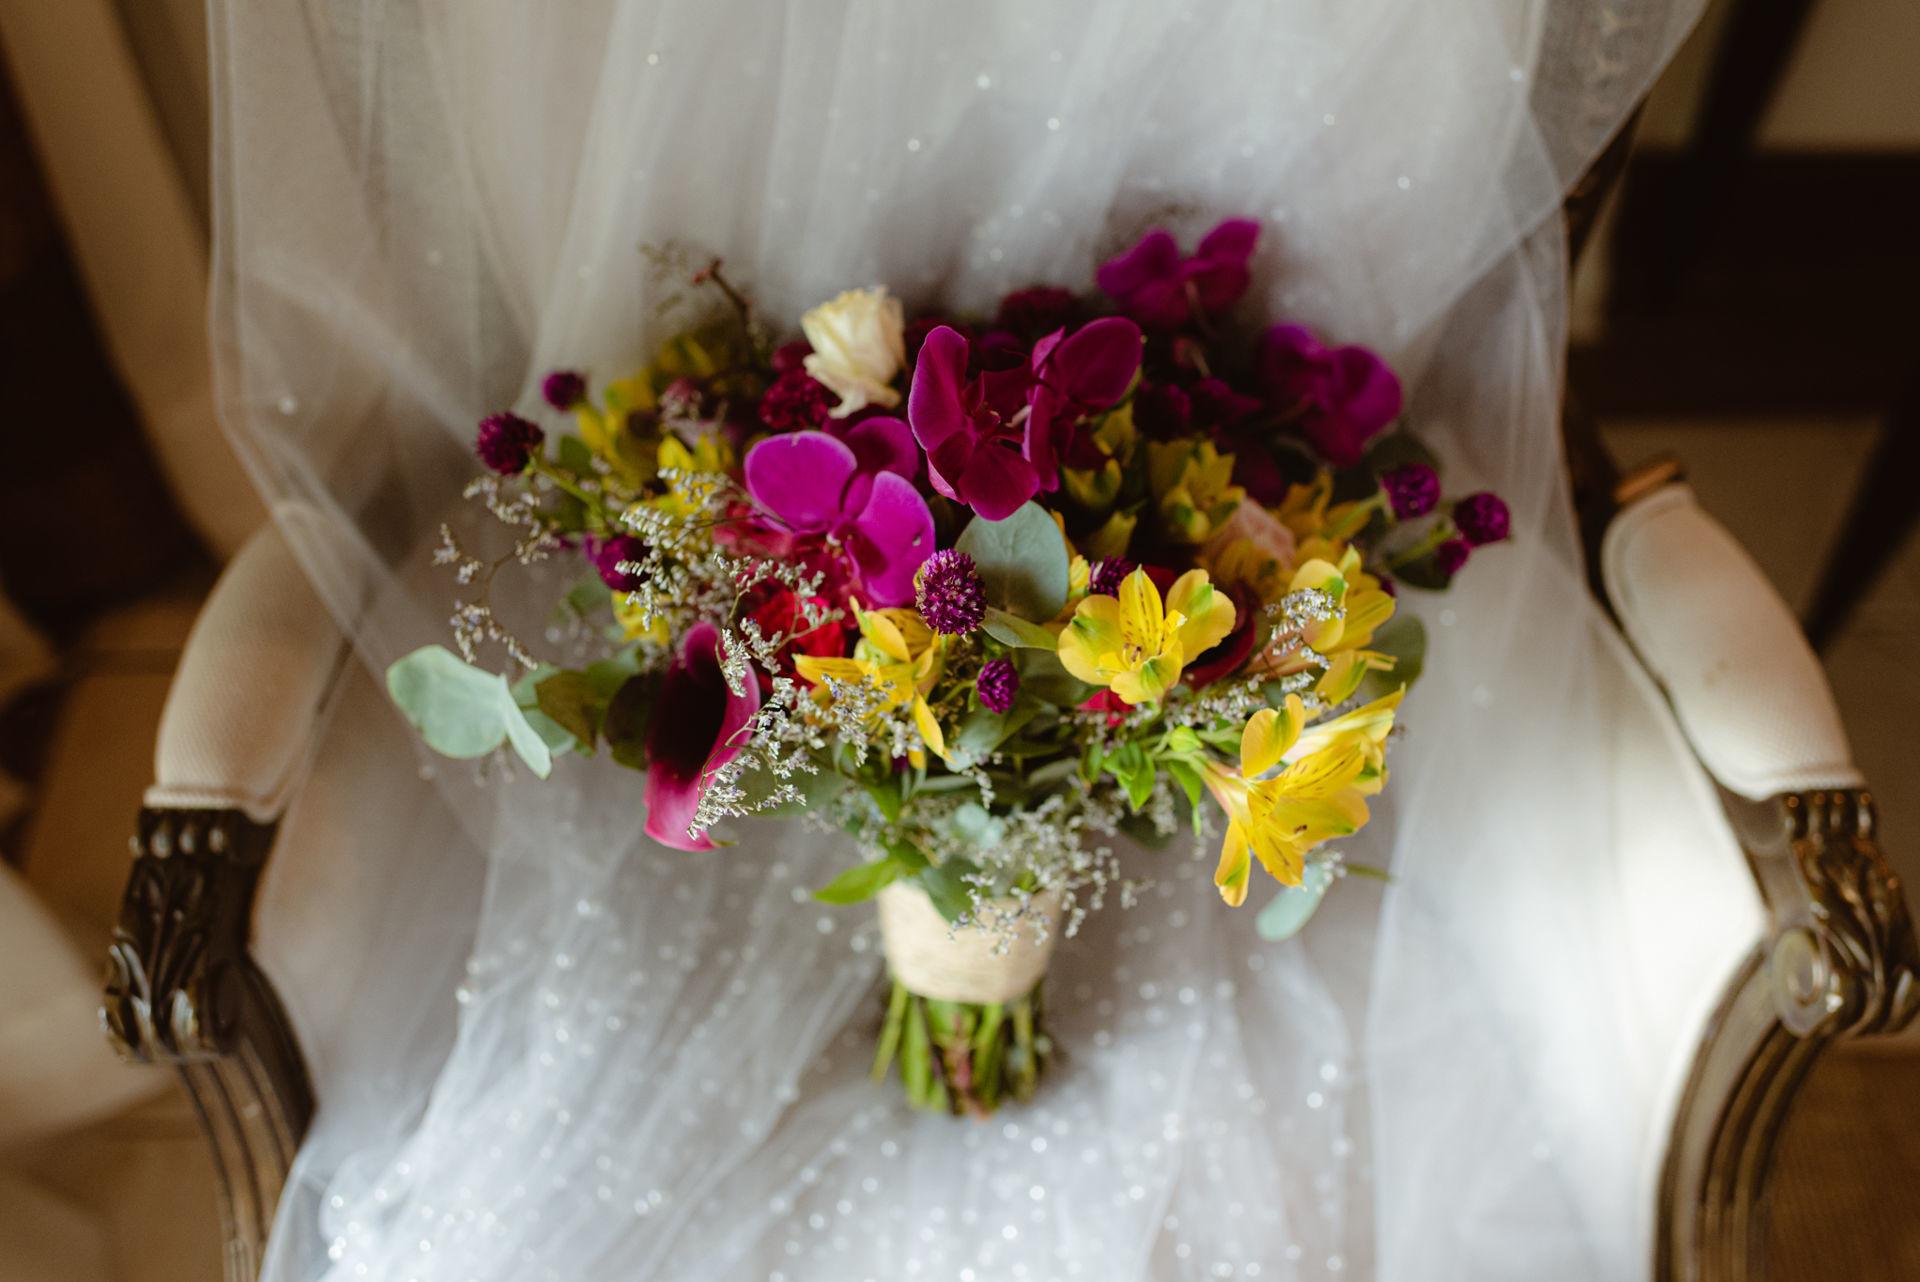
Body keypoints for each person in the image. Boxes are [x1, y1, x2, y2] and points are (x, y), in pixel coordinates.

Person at [211, 3, 1750, 1278]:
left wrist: (1071, 668)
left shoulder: (1041, 582)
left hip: (1058, 638)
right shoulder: (821, 581)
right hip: (903, 651)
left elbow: (1024, 618)